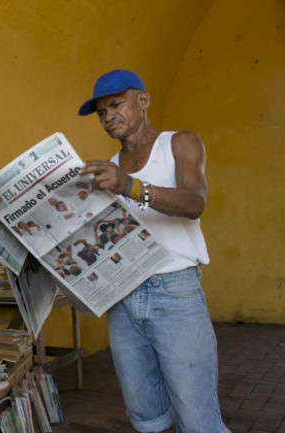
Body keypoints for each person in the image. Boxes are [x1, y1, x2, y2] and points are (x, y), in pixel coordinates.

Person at [77, 69, 229, 433]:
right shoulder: (108, 169)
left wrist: (129, 186)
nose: (109, 116)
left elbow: (195, 202)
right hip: (123, 295)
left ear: (142, 100)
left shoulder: (180, 143)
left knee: (198, 420)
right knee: (147, 417)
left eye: (116, 104)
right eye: (101, 112)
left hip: (175, 292)